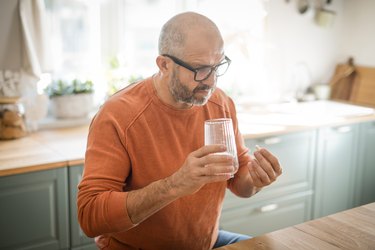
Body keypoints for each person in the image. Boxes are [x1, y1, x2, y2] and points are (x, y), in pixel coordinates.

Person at [77, 11, 282, 250]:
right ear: (164, 64)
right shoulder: (118, 115)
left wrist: (256, 179)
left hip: (206, 242)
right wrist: (175, 185)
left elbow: (239, 180)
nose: (211, 81)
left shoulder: (220, 103)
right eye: (200, 69)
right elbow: (90, 217)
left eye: (218, 66)